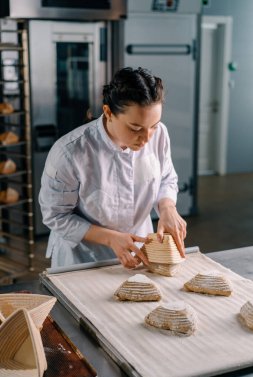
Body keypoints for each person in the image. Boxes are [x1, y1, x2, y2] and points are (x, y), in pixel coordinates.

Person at [39, 67, 187, 269]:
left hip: (140, 250)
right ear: (108, 112)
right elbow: (55, 215)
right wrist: (110, 238)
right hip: (85, 258)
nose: (146, 138)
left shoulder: (159, 134)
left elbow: (166, 178)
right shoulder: (70, 152)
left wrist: (167, 207)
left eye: (153, 126)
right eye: (135, 128)